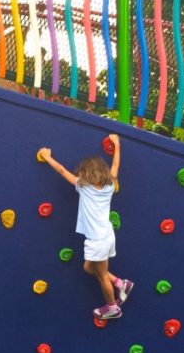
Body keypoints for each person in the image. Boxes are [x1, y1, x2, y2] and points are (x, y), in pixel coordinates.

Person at [38, 135, 133, 319]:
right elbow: (115, 167)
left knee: (102, 276)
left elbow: (62, 170)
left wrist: (47, 155)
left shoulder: (83, 187)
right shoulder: (109, 186)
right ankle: (120, 284)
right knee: (89, 268)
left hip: (96, 240)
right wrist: (117, 145)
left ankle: (113, 307)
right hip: (107, 235)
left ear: (87, 174)